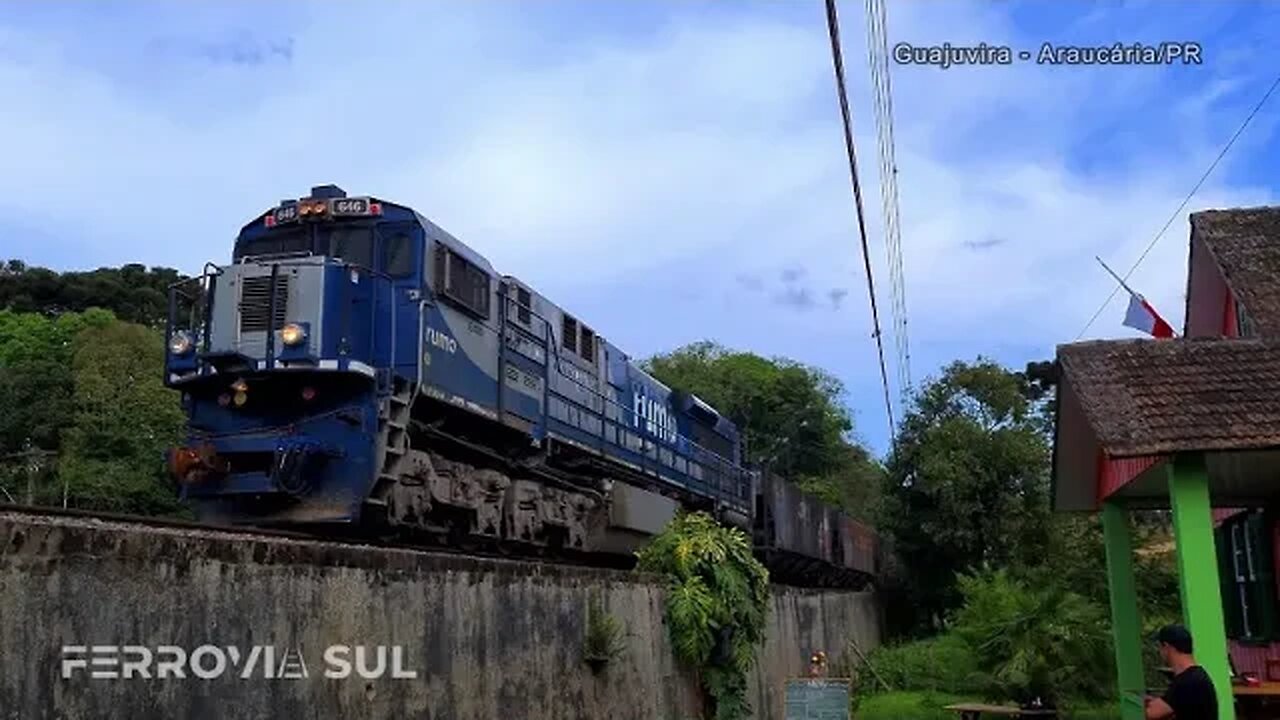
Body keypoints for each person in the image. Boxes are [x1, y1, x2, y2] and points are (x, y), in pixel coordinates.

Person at [1145, 624, 1217, 720]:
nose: (1159, 652)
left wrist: (1139, 704)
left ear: (1166, 647)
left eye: (1160, 647)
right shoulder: (1196, 676)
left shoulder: (1186, 682)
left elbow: (1150, 714)